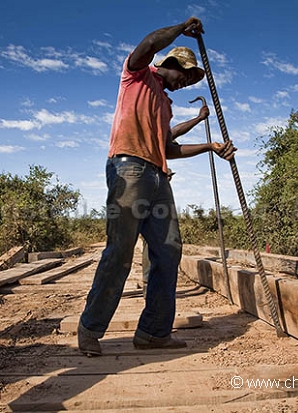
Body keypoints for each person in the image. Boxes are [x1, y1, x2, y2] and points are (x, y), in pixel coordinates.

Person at [78, 17, 235, 356]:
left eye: (193, 79)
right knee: (120, 251)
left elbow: (168, 149)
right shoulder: (137, 74)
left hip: (158, 177)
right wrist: (182, 28)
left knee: (168, 250)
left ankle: (153, 331)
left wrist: (210, 147)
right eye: (186, 75)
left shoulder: (164, 103)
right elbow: (149, 43)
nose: (185, 83)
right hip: (129, 169)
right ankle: (90, 329)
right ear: (171, 64)